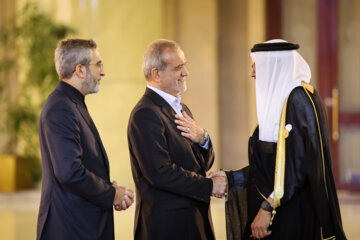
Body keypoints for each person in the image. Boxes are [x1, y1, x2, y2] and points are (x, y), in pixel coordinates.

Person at [210, 39, 347, 240]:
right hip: (276, 212)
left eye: (256, 66)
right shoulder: (280, 101)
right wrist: (231, 179)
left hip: (294, 215)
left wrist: (267, 208)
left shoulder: (299, 99)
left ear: (275, 65)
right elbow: (270, 166)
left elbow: (299, 167)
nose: (252, 73)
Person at [127, 39, 227, 240]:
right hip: (167, 228)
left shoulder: (182, 109)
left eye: (185, 66)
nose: (186, 72)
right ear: (156, 74)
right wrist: (209, 186)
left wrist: (203, 138)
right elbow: (160, 172)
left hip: (192, 222)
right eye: (178, 68)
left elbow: (202, 164)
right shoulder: (145, 113)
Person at [37, 38, 134, 240]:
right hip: (71, 229)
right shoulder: (61, 108)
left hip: (79, 226)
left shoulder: (71, 103)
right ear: (80, 70)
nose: (103, 71)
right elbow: (69, 171)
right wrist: (111, 194)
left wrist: (110, 188)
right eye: (98, 64)